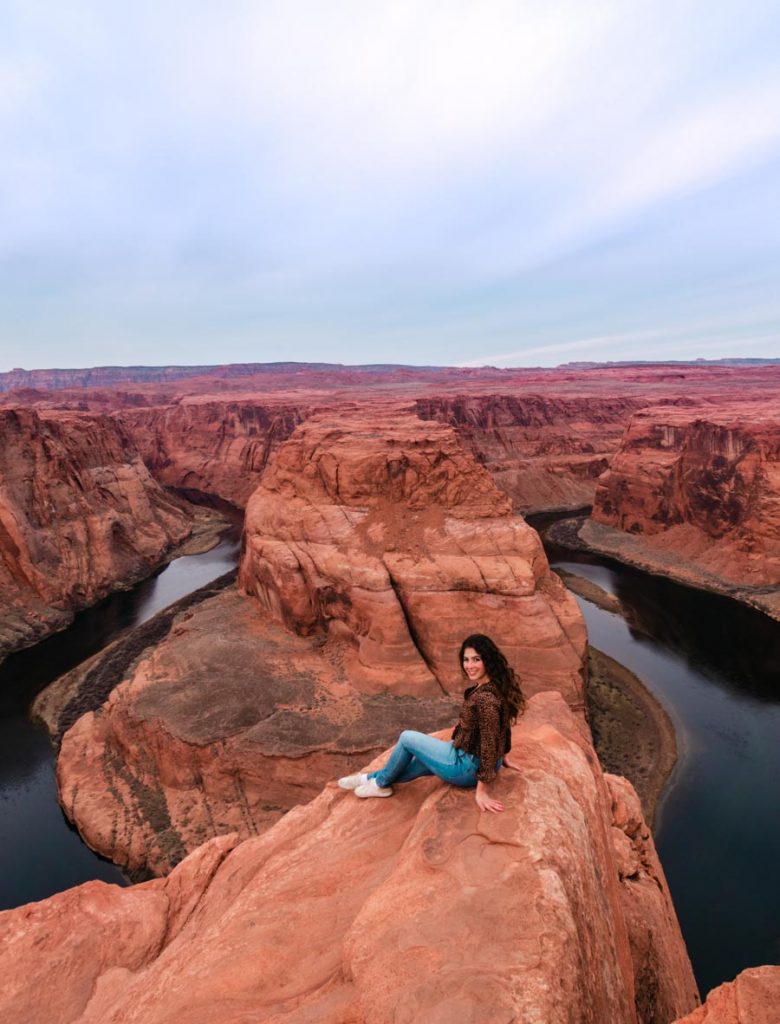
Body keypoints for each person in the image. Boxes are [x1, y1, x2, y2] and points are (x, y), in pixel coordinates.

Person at [338, 633, 525, 813]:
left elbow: (490, 742)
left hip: (466, 767)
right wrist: (503, 756)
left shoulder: (486, 699)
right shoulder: (491, 687)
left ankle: (379, 784)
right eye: (466, 660)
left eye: (476, 659)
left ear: (488, 660)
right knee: (418, 763)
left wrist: (482, 792)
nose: (470, 665)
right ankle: (367, 779)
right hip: (469, 757)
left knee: (407, 738)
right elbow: (503, 725)